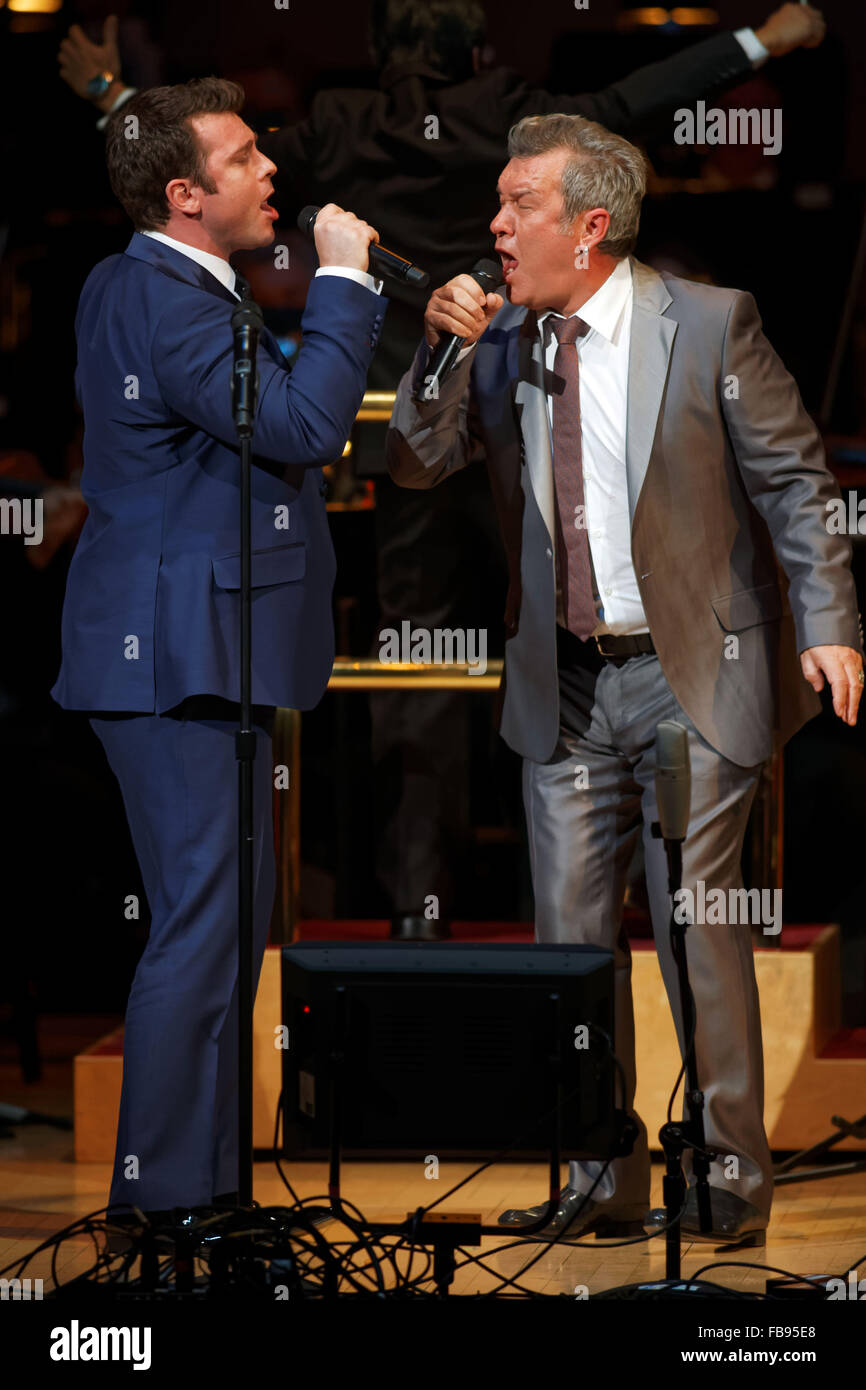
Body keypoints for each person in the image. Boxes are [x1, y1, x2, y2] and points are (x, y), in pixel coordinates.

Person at [58, 1, 830, 940]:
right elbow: (637, 97)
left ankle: (421, 907)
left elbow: (187, 164)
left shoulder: (343, 122)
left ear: (380, 49)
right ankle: (548, 912)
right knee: (563, 632)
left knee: (421, 665)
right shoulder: (507, 108)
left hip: (400, 419)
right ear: (478, 46)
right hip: (489, 404)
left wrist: (110, 97)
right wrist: (761, 40)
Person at [386, 112, 863, 1244]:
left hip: (691, 670)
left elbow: (795, 482)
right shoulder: (500, 341)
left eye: (518, 206)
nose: (494, 228)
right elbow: (412, 459)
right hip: (566, 685)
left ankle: (727, 1169)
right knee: (569, 943)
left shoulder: (705, 325)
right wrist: (439, 347)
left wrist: (831, 622)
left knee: (699, 925)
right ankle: (599, 1175)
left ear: (588, 225)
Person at [50, 76, 385, 1221]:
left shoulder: (145, 281)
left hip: (190, 650)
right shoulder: (171, 300)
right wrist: (342, 279)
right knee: (200, 930)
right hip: (174, 659)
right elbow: (299, 424)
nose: (271, 171)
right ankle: (166, 1209)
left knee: (219, 928)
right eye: (244, 159)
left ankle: (202, 1196)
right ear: (187, 195)